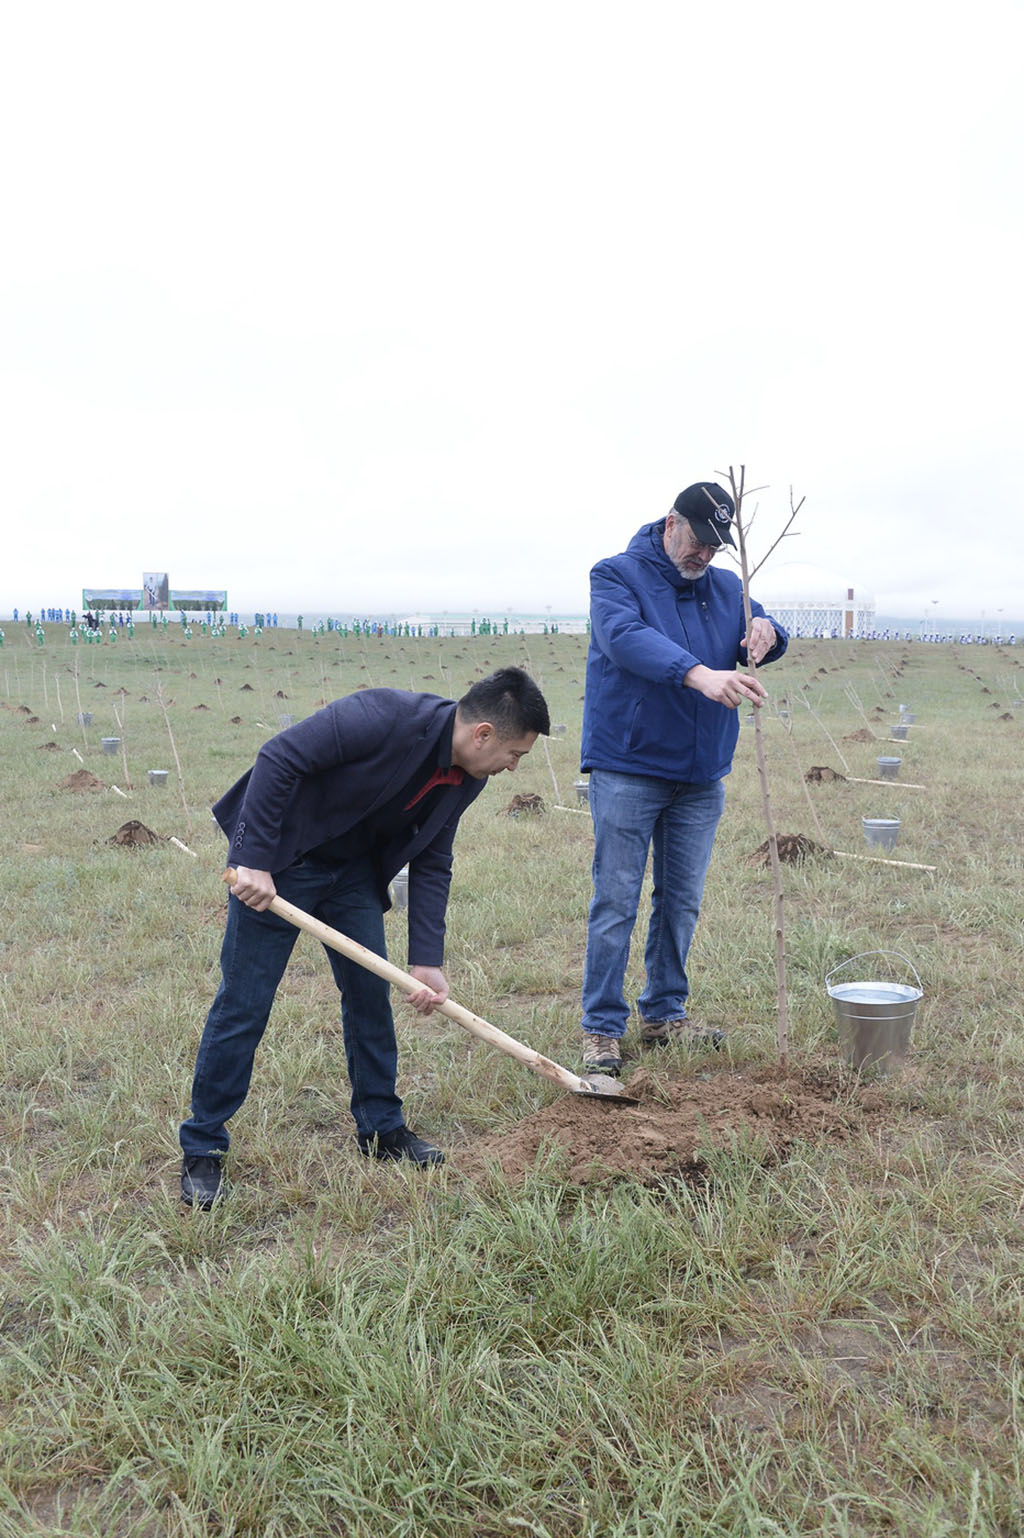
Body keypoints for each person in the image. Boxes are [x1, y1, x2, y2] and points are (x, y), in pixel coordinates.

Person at [180, 667, 550, 1208]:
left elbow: (433, 857)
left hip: (351, 873)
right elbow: (279, 757)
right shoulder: (383, 715)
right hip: (282, 863)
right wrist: (253, 860)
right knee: (244, 1004)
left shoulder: (470, 776)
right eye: (515, 754)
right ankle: (203, 1147)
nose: (513, 768)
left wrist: (426, 959)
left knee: (370, 996)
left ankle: (380, 1128)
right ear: (484, 734)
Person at [578, 482, 788, 1075]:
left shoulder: (725, 585)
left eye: (716, 548)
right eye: (697, 542)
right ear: (671, 523)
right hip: (629, 766)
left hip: (701, 775)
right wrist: (699, 674)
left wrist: (768, 632)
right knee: (615, 899)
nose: (704, 557)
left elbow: (760, 626)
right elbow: (624, 639)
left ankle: (666, 1014)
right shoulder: (616, 576)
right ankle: (601, 1028)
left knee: (682, 901)